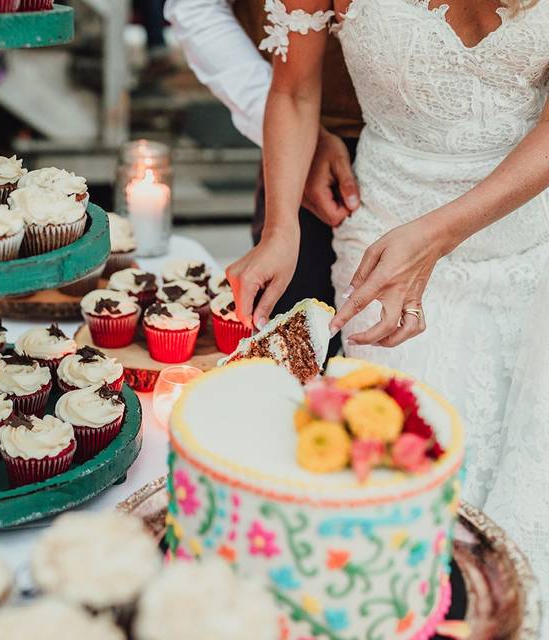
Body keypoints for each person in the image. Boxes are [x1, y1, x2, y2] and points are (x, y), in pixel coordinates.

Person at [225, 0, 549, 607]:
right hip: (381, 241)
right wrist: (281, 231)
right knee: (389, 504)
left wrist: (437, 235)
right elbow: (295, 93)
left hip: (532, 247)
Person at [167, 0, 362, 355]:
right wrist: (295, 142)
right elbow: (196, 6)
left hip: (459, 178)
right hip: (297, 149)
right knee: (294, 360)